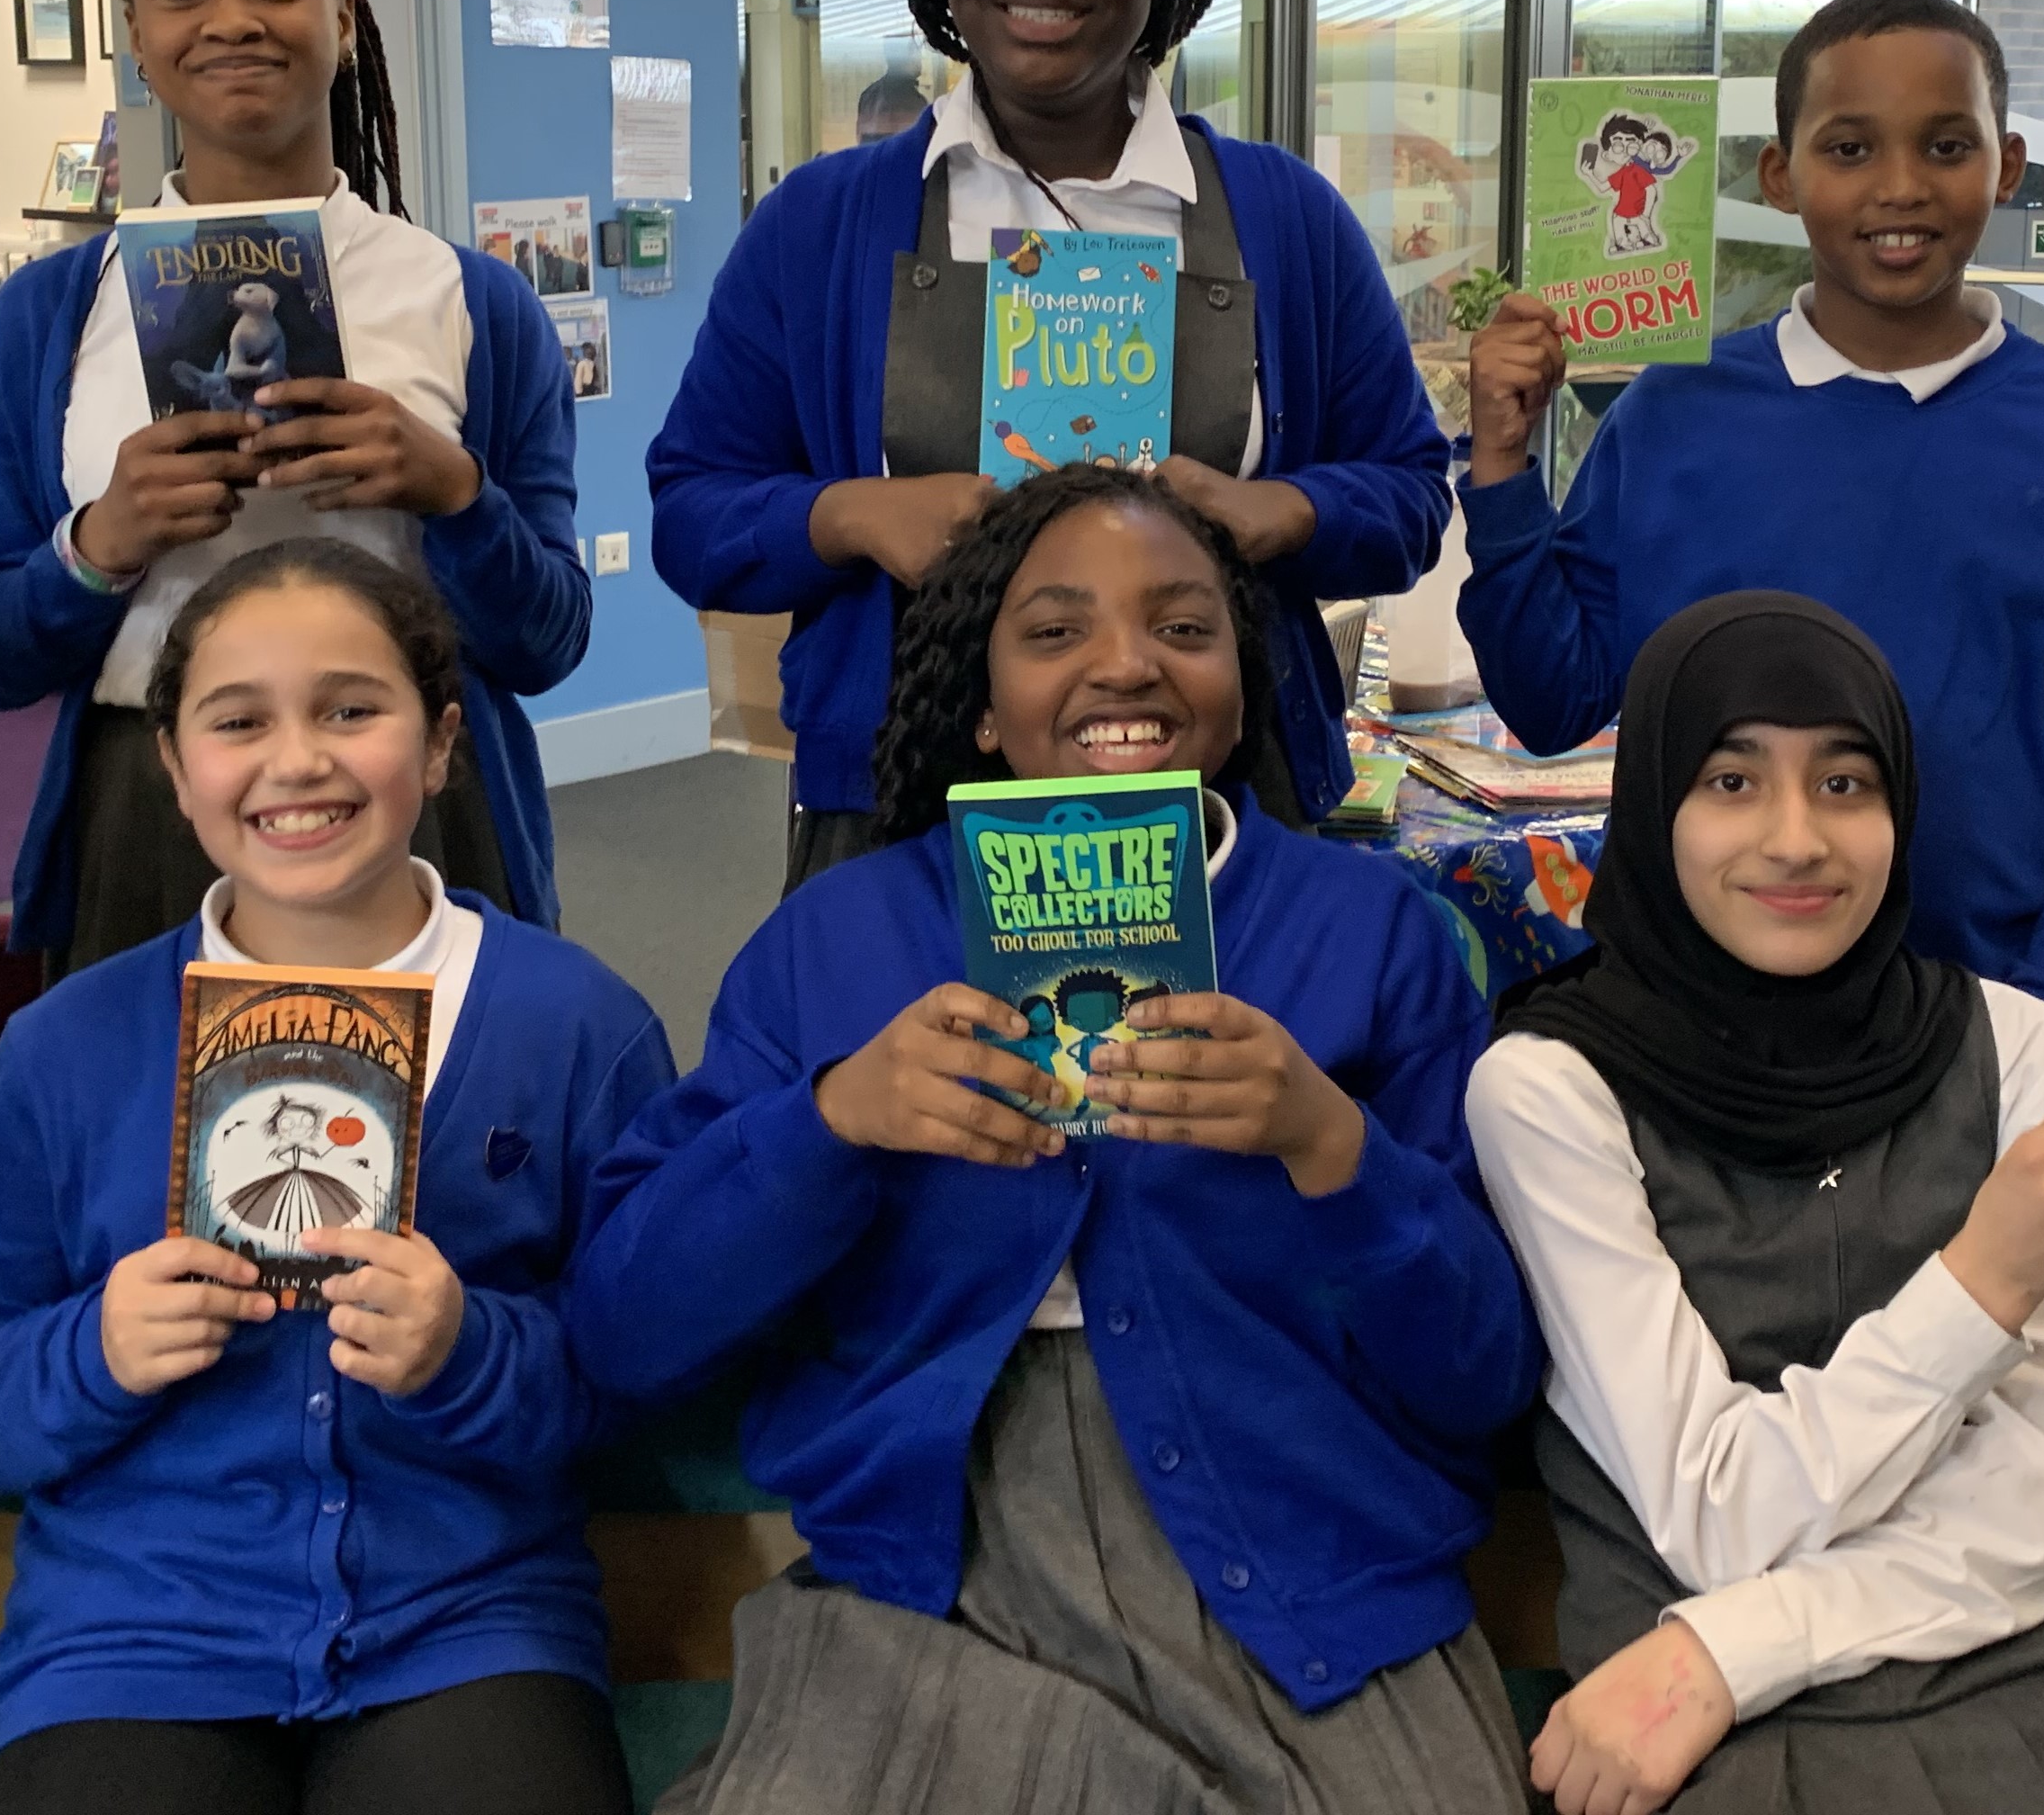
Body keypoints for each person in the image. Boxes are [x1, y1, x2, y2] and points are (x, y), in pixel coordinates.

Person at [569, 465, 1541, 1813]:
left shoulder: (1366, 932)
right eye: (1054, 630)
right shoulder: (838, 941)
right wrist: (833, 1123)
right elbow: (626, 1328)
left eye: (1187, 629)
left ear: (1244, 681)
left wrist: (1333, 1148)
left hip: (1307, 1553)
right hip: (931, 1582)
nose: (1126, 666)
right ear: (978, 700)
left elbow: (1485, 1376)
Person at [0, 541, 673, 1815]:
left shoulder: (574, 1027)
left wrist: (468, 1350)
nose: (297, 760)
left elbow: (645, 1368)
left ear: (437, 745)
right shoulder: (71, 1045)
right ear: (174, 765)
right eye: (238, 720)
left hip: (463, 1624)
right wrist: (98, 1350)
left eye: (352, 710)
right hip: (132, 1640)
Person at [1466, 590, 2044, 1815]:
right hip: (1688, 1739)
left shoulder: (2015, 1049)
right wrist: (1987, 1281)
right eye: (1729, 781)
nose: (1795, 840)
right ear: (1652, 802)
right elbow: (1714, 1516)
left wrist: (1736, 1648)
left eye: (1843, 785)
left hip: (2001, 1687)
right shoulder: (1550, 1088)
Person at [650, 0, 1450, 891]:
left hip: (1227, 807)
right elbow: (693, 512)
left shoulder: (1290, 221)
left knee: (1212, 1076)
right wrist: (855, 515)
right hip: (895, 815)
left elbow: (1412, 494)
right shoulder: (819, 226)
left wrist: (1279, 511)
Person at [1458, 0, 2044, 1004]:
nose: (1899, 187)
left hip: (1984, 1010)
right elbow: (1553, 704)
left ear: (2010, 166)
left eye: (1948, 146)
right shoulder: (1672, 413)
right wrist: (1504, 469)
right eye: (1849, 149)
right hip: (1695, 1016)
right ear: (1779, 175)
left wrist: (2037, 1028)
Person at [0, 0, 589, 971]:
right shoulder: (47, 320)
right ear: (137, 38)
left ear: (345, 19)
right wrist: (103, 544)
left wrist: (452, 492)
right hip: (150, 814)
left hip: (419, 815)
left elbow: (547, 641)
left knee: (444, 1132)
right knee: (154, 1143)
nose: (231, 19)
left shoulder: (471, 301)